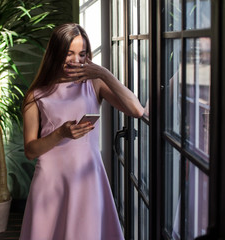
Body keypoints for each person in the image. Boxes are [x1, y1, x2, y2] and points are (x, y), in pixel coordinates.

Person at [19, 23, 145, 240]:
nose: (76, 60)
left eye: (82, 54)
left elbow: (137, 110)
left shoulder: (94, 84)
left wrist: (104, 73)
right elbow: (30, 151)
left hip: (87, 178)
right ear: (55, 53)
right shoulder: (36, 95)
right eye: (69, 54)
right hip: (51, 182)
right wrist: (60, 134)